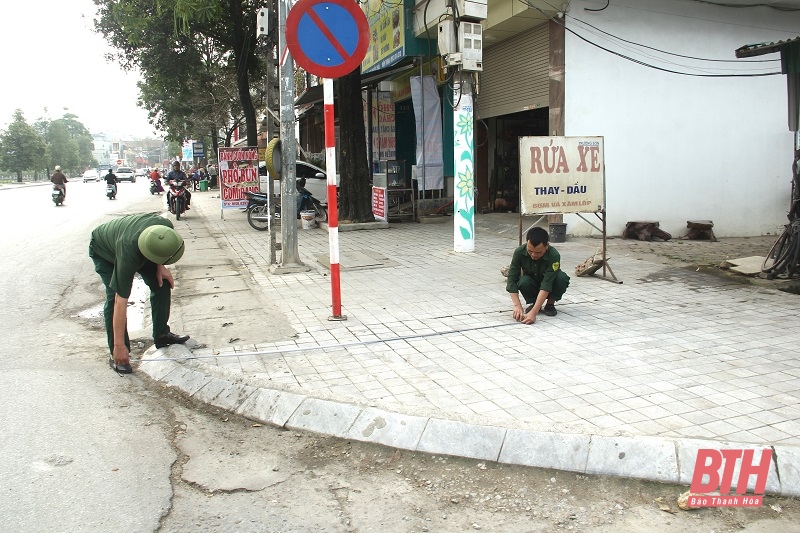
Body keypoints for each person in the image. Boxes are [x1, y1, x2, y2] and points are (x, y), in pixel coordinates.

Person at [88, 213, 190, 374]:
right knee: (114, 294)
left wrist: (160, 267)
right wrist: (119, 346)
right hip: (104, 251)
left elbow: (158, 245)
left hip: (140, 244)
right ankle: (118, 352)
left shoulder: (165, 227)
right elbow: (119, 302)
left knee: (161, 283)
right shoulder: (128, 254)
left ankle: (161, 334)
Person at [507, 226, 570, 325]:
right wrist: (517, 306)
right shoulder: (519, 252)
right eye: (530, 251)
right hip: (532, 283)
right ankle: (534, 303)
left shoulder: (554, 255)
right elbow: (512, 279)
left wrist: (534, 313)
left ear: (547, 246)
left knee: (561, 278)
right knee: (523, 281)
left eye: (538, 252)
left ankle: (550, 304)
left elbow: (547, 283)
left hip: (549, 284)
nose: (533, 255)